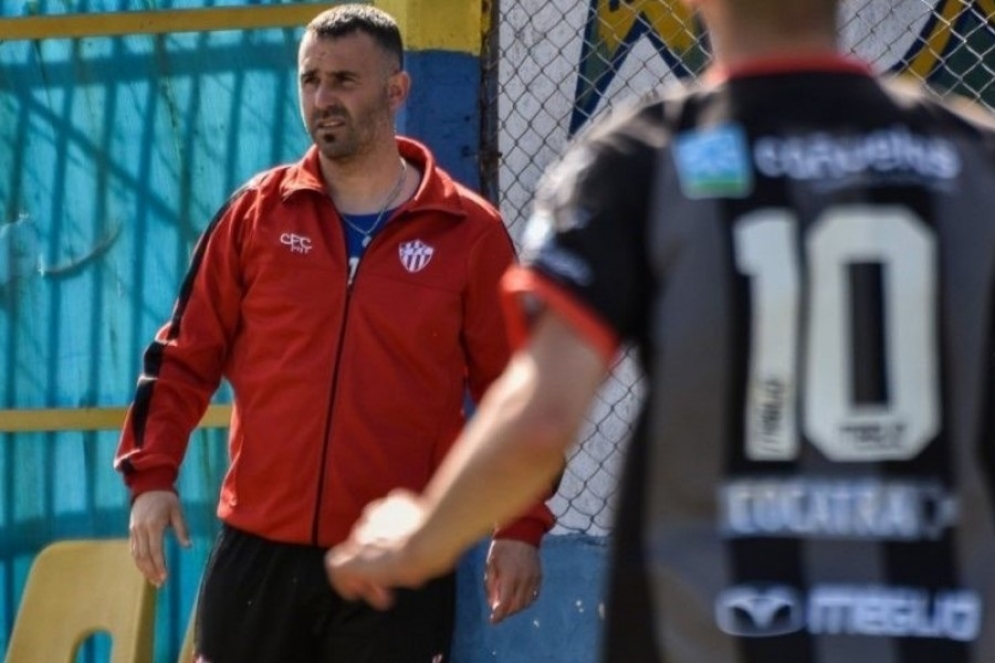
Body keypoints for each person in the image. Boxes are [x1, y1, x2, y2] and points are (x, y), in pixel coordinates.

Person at [325, 0, 995, 661]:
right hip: (940, 623)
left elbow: (540, 415)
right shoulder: (970, 155)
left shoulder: (646, 155)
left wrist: (421, 535)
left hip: (714, 625)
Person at [113, 5, 556, 662]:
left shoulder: (468, 231)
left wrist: (519, 523)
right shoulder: (254, 215)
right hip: (257, 551)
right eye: (310, 79)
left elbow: (514, 390)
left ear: (397, 90)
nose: (323, 99)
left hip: (398, 554)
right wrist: (152, 479)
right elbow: (182, 356)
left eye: (344, 80)